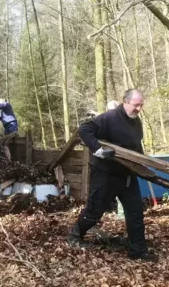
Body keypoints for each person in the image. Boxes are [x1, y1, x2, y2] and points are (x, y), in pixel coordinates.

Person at [66, 89, 158, 262]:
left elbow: (136, 146)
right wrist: (98, 150)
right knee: (95, 210)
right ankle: (75, 236)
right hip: (105, 173)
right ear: (125, 101)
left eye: (141, 105)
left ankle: (138, 250)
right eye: (135, 105)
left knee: (135, 211)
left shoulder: (136, 122)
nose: (139, 108)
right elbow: (84, 130)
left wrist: (144, 163)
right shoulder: (109, 118)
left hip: (127, 174)